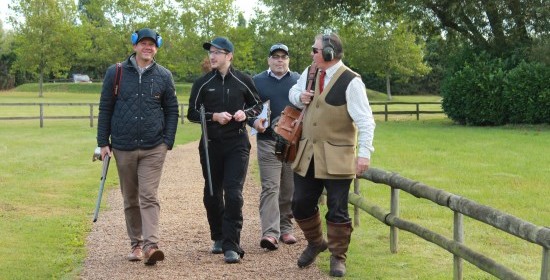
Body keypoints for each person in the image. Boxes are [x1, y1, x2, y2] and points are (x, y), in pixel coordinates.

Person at [288, 33, 375, 277]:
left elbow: (366, 121)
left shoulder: (351, 81)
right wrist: (299, 97)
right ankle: (316, 242)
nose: (311, 54)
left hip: (338, 155)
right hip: (308, 153)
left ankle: (338, 256)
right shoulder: (310, 72)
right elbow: (293, 93)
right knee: (300, 203)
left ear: (328, 53)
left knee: (337, 209)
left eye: (315, 50)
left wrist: (364, 154)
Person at [96, 28, 179, 266]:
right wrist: (103, 142)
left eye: (152, 44)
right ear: (134, 46)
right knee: (130, 197)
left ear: (157, 48)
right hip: (123, 146)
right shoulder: (116, 72)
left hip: (154, 147)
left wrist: (167, 141)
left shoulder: (164, 75)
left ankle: (151, 245)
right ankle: (136, 243)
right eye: (143, 43)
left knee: (148, 195)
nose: (147, 47)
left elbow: (172, 110)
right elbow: (105, 108)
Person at [187, 37, 262, 264]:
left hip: (237, 144)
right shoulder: (202, 83)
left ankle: (232, 244)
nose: (212, 56)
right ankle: (218, 236)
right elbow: (191, 113)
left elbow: (258, 105)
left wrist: (245, 114)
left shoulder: (243, 80)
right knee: (212, 192)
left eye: (218, 52)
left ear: (229, 56)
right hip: (210, 145)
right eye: (211, 52)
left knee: (233, 193)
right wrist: (213, 117)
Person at [248, 43, 300, 251]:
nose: (279, 60)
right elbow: (248, 109)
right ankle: (270, 233)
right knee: (271, 187)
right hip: (267, 141)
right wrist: (253, 122)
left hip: (292, 143)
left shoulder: (298, 81)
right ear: (269, 60)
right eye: (275, 57)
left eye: (283, 57)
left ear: (288, 60)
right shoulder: (257, 81)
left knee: (289, 188)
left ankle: (286, 227)